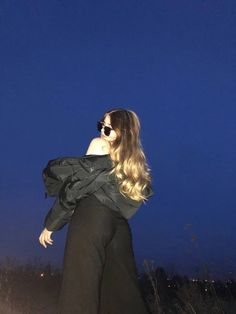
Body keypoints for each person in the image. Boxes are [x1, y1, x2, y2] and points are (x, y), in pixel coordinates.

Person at [39, 108, 154, 314]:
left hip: (92, 218)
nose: (102, 131)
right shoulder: (132, 163)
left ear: (122, 132)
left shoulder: (99, 145)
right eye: (101, 125)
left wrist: (51, 224)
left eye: (109, 128)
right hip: (118, 228)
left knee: (79, 289)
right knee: (123, 294)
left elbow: (77, 186)